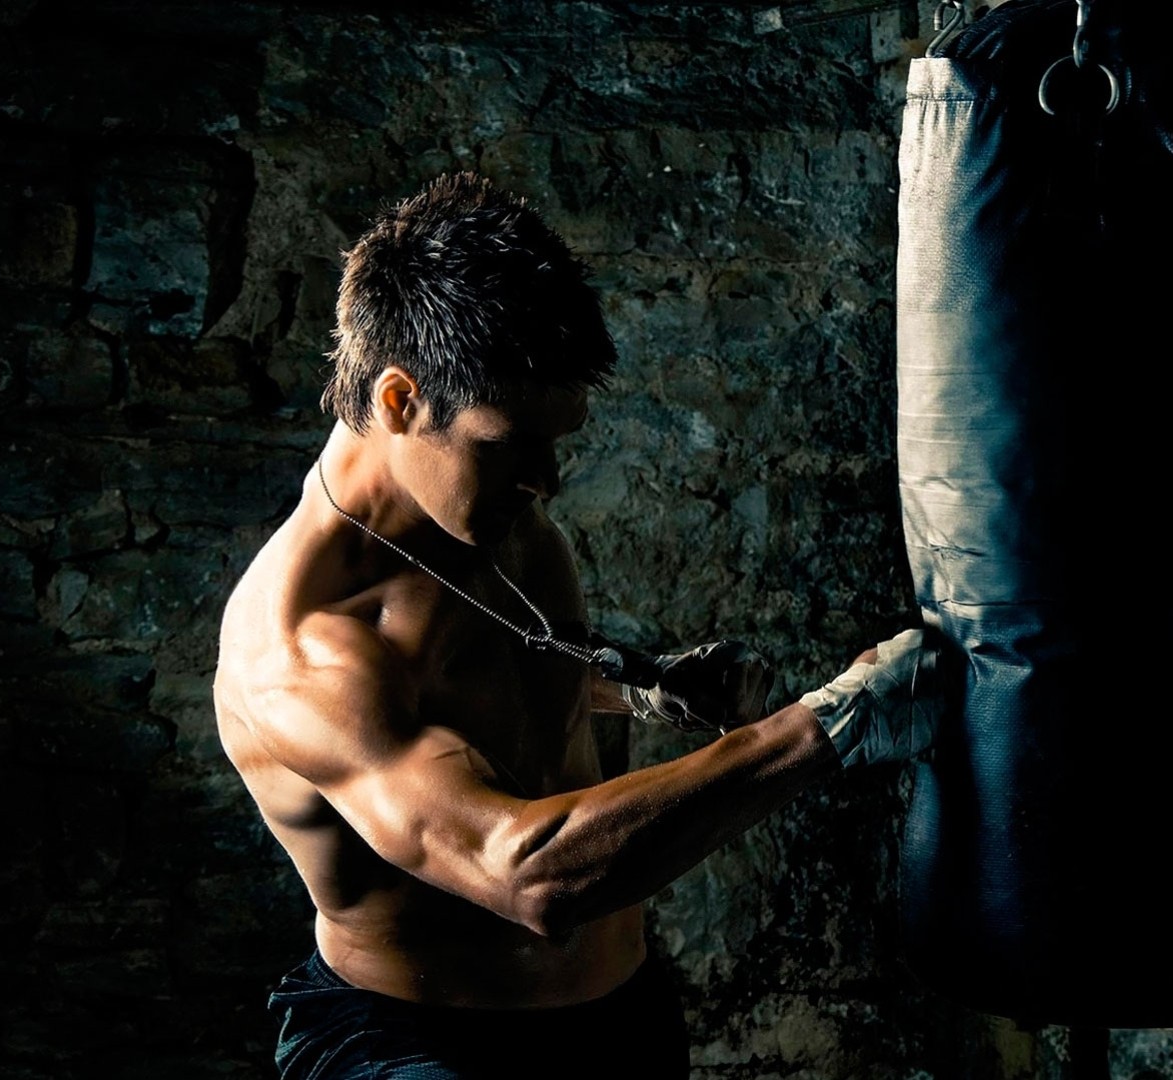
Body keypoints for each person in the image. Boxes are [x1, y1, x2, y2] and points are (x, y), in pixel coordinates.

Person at [211, 171, 937, 1079]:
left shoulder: (497, 522)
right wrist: (832, 722)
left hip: (621, 1017)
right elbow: (526, 875)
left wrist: (642, 687)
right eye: (506, 441)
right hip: (416, 1049)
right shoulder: (300, 651)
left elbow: (470, 688)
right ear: (399, 402)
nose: (545, 480)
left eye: (558, 441)